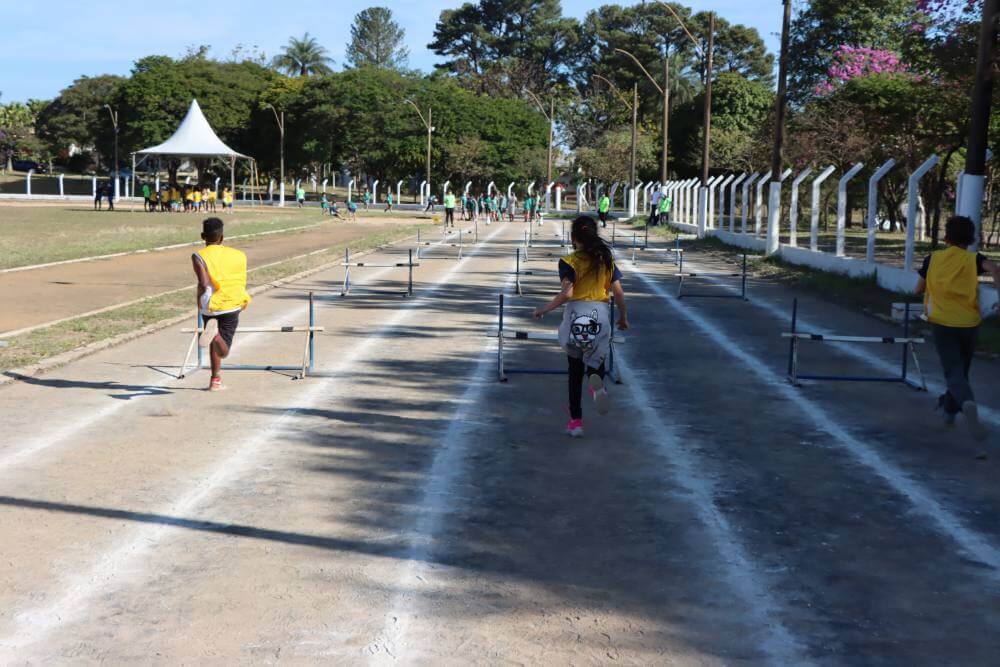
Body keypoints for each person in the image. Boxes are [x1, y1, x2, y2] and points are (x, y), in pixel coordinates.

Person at [533, 216, 629, 438]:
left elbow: (567, 293)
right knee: (596, 360)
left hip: (576, 315)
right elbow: (619, 293)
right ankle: (598, 384)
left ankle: (576, 422)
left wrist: (544, 309)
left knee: (574, 371)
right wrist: (623, 316)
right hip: (601, 316)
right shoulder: (606, 259)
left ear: (573, 237)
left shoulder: (569, 261)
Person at [916, 215, 1000, 443]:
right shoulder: (973, 259)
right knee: (960, 372)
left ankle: (967, 404)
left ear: (946, 237)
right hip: (969, 323)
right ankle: (949, 410)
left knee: (953, 372)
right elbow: (994, 267)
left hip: (942, 323)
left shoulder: (932, 258)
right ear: (971, 239)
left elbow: (918, 289)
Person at [191, 217, 252, 392]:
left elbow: (203, 283)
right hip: (232, 303)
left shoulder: (198, 256)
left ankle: (215, 380)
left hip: (209, 304)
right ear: (222, 237)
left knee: (212, 342)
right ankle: (216, 336)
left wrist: (199, 301)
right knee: (223, 350)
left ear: (203, 236)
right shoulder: (239, 255)